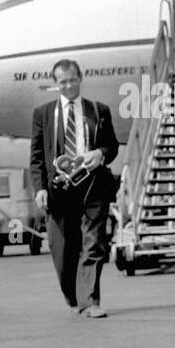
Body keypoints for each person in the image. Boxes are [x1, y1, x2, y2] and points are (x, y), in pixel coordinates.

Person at [29, 59, 120, 317]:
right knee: (63, 250)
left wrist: (100, 153)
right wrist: (39, 189)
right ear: (55, 84)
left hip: (92, 187)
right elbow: (36, 157)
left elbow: (111, 146)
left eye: (72, 79)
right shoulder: (43, 114)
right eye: (62, 81)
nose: (68, 85)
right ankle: (74, 295)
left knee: (93, 243)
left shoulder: (98, 110)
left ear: (81, 78)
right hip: (59, 190)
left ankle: (90, 301)